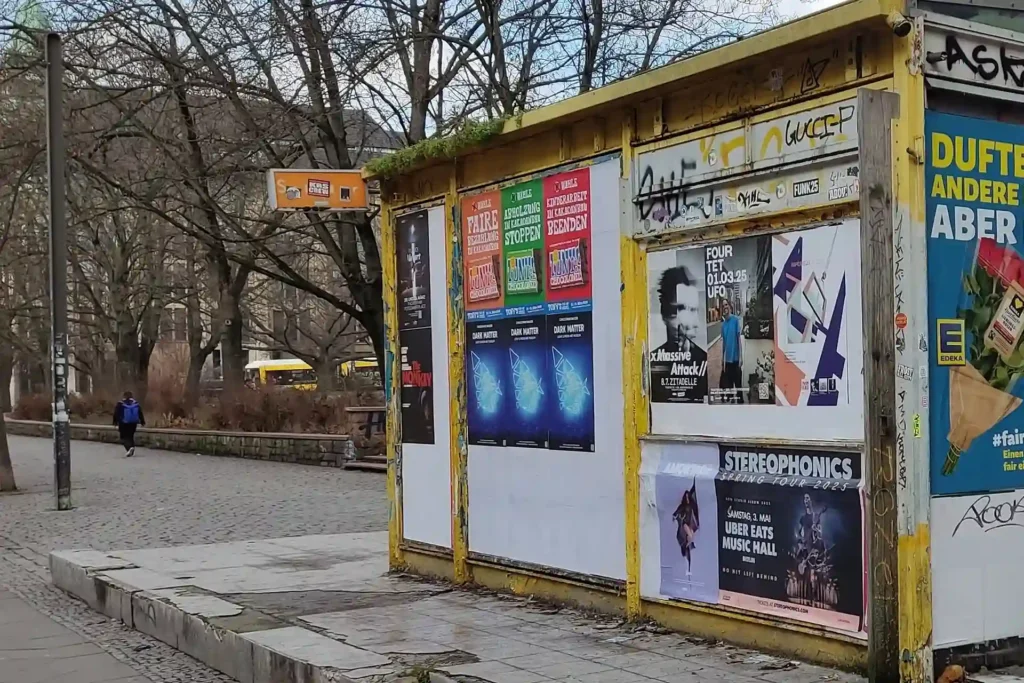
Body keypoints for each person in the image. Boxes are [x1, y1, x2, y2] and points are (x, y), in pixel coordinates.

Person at [650, 265, 708, 403]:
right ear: (664, 313)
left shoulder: (705, 363)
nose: (690, 322)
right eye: (680, 308)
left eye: (693, 310)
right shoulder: (651, 364)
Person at [719, 299, 743, 403]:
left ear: (730, 306)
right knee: (728, 386)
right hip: (727, 360)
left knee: (738, 386)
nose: (725, 307)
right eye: (723, 305)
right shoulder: (723, 325)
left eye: (726, 305)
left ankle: (740, 403)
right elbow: (724, 343)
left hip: (736, 358)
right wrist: (722, 359)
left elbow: (739, 340)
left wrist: (741, 357)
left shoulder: (735, 320)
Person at [113, 391, 145, 457]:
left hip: (123, 423)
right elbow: (140, 412)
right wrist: (142, 421)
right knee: (130, 436)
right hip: (133, 423)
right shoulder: (135, 403)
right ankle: (132, 448)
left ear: (124, 396)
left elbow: (116, 413)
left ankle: (129, 448)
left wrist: (115, 421)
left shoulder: (120, 403)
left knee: (123, 437)